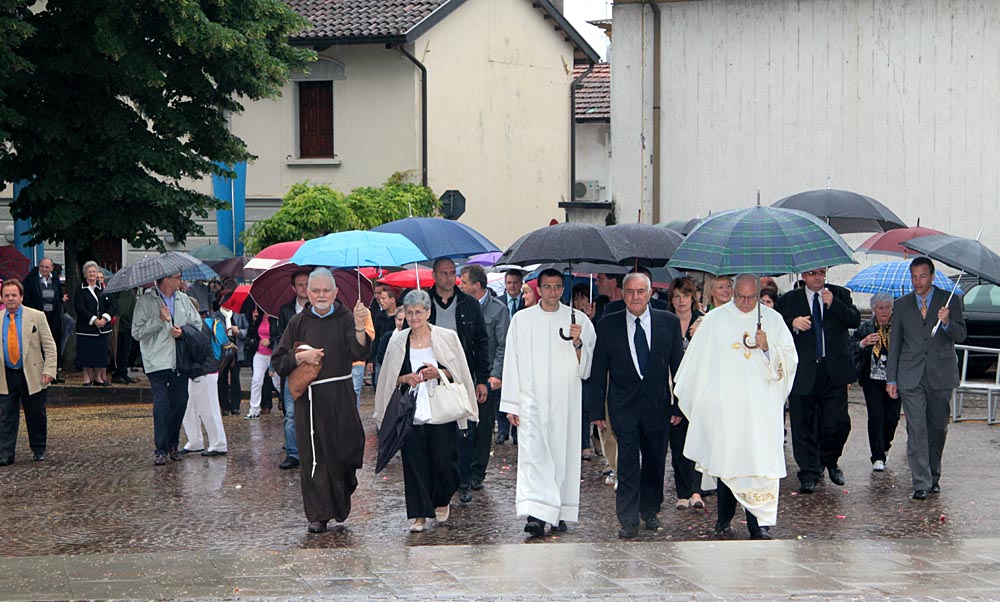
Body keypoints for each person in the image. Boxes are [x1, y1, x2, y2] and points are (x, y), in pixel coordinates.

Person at [675, 274, 798, 540]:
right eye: (740, 296)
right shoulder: (715, 320)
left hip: (760, 408)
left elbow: (790, 360)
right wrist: (707, 399)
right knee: (727, 462)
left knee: (758, 463)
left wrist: (769, 348)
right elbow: (698, 363)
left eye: (751, 297)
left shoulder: (772, 320)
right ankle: (724, 518)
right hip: (726, 406)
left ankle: (759, 523)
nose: (745, 302)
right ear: (733, 293)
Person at [271, 268, 371, 533]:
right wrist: (299, 358)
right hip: (310, 401)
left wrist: (359, 327)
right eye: (316, 291)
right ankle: (318, 514)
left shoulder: (346, 318)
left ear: (335, 293)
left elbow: (359, 352)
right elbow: (278, 360)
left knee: (347, 452)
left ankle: (341, 498)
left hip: (341, 397)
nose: (321, 295)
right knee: (313, 456)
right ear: (308, 293)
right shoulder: (297, 322)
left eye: (326, 290)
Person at [501, 268, 596, 535]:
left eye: (557, 287)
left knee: (562, 456)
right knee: (533, 456)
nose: (552, 292)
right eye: (547, 287)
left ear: (563, 289)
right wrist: (511, 403)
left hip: (566, 400)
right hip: (531, 399)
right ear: (539, 290)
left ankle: (559, 510)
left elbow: (587, 367)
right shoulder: (522, 320)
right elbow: (512, 360)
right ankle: (535, 514)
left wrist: (578, 342)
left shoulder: (578, 320)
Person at [588, 273, 684, 538]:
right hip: (623, 407)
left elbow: (678, 367)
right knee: (627, 463)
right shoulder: (609, 324)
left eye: (641, 291)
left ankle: (650, 509)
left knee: (655, 461)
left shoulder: (668, 322)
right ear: (623, 294)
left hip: (658, 406)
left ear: (650, 293)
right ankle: (628, 519)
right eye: (630, 292)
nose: (635, 297)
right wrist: (596, 410)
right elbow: (599, 370)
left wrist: (679, 406)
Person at [374, 289, 477, 532]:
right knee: (413, 462)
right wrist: (404, 378)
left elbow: (460, 371)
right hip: (411, 410)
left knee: (444, 460)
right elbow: (388, 377)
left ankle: (441, 499)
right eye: (409, 313)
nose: (414, 317)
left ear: (428, 313)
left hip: (441, 408)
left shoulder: (447, 337)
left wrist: (438, 372)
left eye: (418, 312)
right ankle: (418, 514)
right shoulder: (397, 341)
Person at [886, 257, 966, 500]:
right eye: (913, 277)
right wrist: (891, 379)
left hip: (940, 374)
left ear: (932, 276)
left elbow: (961, 335)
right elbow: (895, 343)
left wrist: (947, 322)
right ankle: (921, 482)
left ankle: (933, 475)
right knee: (916, 428)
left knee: (937, 427)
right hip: (910, 375)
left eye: (922, 276)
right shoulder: (902, 304)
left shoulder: (950, 300)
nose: (917, 281)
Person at [776, 267, 860, 493]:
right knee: (803, 424)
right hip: (804, 371)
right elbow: (775, 325)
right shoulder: (789, 300)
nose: (817, 277)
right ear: (803, 276)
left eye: (821, 273)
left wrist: (835, 304)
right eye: (812, 273)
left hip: (833, 371)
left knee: (837, 422)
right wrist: (792, 323)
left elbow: (854, 320)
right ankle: (809, 472)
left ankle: (830, 461)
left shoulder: (839, 294)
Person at [426, 258, 489, 504]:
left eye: (453, 273)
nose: (449, 277)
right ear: (434, 275)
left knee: (464, 431)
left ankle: (464, 482)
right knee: (435, 432)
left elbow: (481, 342)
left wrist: (481, 379)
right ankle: (440, 482)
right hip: (431, 377)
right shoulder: (424, 303)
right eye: (444, 273)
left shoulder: (469, 305)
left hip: (462, 376)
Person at [132, 272, 203, 465]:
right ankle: (161, 449)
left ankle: (173, 443)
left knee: (180, 402)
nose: (180, 280)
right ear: (165, 279)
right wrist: (158, 320)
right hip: (156, 361)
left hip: (179, 360)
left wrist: (182, 332)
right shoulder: (145, 301)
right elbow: (137, 332)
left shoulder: (183, 299)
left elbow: (197, 324)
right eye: (177, 277)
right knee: (162, 405)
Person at [459, 264, 509, 492]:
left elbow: (503, 345)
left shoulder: (498, 310)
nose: (460, 285)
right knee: (462, 422)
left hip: (486, 376)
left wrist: (496, 375)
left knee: (484, 424)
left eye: (464, 282)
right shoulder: (461, 307)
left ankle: (477, 471)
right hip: (463, 374)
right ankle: (462, 469)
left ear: (476, 285)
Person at [0, 279, 58, 465]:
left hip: (32, 373)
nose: (10, 299)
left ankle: (38, 448)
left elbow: (49, 345)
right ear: (2, 298)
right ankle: (5, 453)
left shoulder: (36, 316)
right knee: (5, 416)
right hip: (6, 374)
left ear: (21, 297)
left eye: (14, 295)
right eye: (7, 295)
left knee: (35, 414)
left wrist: (49, 370)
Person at [666, 276, 705, 509]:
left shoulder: (704, 322)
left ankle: (696, 491)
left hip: (698, 393)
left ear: (693, 298)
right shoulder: (666, 322)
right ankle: (682, 492)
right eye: (677, 296)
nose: (681, 301)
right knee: (678, 444)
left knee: (697, 442)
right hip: (673, 391)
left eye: (686, 296)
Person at [852, 293, 899, 472]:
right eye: (880, 308)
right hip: (871, 379)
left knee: (892, 417)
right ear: (874, 310)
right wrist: (863, 343)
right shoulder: (866, 327)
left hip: (894, 379)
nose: (884, 311)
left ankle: (885, 445)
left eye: (887, 308)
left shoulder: (899, 327)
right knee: (876, 416)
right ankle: (877, 456)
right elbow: (851, 346)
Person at [273, 268, 311, 470]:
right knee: (290, 413)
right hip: (292, 366)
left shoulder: (318, 308)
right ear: (294, 288)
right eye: (300, 285)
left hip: (313, 366)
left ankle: (312, 451)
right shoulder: (286, 310)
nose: (304, 288)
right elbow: (280, 338)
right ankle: (293, 453)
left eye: (307, 284)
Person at [180, 299, 229, 457]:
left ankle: (218, 444)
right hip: (197, 371)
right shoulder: (194, 326)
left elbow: (199, 351)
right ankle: (195, 441)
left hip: (204, 371)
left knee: (209, 409)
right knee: (190, 408)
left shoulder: (197, 327)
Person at [22, 257, 64, 382]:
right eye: (42, 267)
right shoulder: (30, 280)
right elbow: (26, 299)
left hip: (53, 318)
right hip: (37, 318)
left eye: (47, 267)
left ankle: (53, 374)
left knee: (53, 345)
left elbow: (59, 296)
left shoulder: (55, 279)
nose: (44, 269)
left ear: (51, 268)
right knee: (38, 346)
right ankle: (39, 374)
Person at [74, 261, 115, 387]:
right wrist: (94, 320)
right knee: (86, 354)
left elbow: (112, 305)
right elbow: (79, 307)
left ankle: (98, 377)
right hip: (86, 328)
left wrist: (104, 318)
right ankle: (87, 378)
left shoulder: (103, 288)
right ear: (85, 274)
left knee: (101, 354)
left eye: (94, 271)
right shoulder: (80, 289)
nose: (92, 274)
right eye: (89, 272)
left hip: (102, 328)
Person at [497, 270, 526, 445]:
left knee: (517, 390)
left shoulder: (526, 302)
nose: (512, 286)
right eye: (509, 283)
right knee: (502, 391)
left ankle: (516, 432)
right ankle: (502, 431)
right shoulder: (499, 302)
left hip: (520, 350)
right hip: (502, 349)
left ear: (521, 284)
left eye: (515, 282)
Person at [214, 290, 247, 416]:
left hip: (236, 350)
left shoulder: (239, 315)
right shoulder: (215, 316)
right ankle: (224, 406)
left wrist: (239, 331)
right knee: (222, 379)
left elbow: (247, 330)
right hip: (222, 351)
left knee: (235, 378)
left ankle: (235, 406)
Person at [245, 304, 279, 420]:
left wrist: (270, 341)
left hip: (273, 354)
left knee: (277, 382)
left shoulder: (276, 319)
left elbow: (280, 335)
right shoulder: (259, 319)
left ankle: (288, 405)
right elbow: (252, 334)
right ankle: (254, 409)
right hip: (260, 353)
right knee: (256, 380)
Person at [368, 286, 399, 394]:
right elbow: (375, 339)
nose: (380, 301)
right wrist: (371, 359)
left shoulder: (401, 316)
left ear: (392, 299)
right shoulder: (379, 316)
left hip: (396, 355)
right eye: (380, 298)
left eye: (384, 298)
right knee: (378, 385)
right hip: (381, 356)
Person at [110, 287, 139, 384]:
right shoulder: (119, 290)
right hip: (120, 324)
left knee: (126, 350)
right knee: (120, 350)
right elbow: (120, 306)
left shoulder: (130, 291)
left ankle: (123, 372)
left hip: (129, 324)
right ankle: (117, 373)